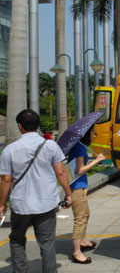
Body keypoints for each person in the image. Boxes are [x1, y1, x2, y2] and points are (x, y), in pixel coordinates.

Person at [0, 109, 73, 273]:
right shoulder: (51, 146)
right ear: (38, 125)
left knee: (17, 240)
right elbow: (60, 172)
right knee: (47, 242)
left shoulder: (10, 150)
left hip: (21, 205)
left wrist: (2, 204)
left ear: (20, 126)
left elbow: (5, 179)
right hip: (46, 203)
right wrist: (68, 194)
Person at [68, 126, 105, 264]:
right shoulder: (80, 148)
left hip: (80, 187)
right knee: (80, 219)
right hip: (77, 188)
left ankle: (83, 241)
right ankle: (77, 252)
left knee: (85, 214)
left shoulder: (79, 146)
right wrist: (96, 160)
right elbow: (79, 170)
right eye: (93, 132)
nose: (94, 134)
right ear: (87, 133)